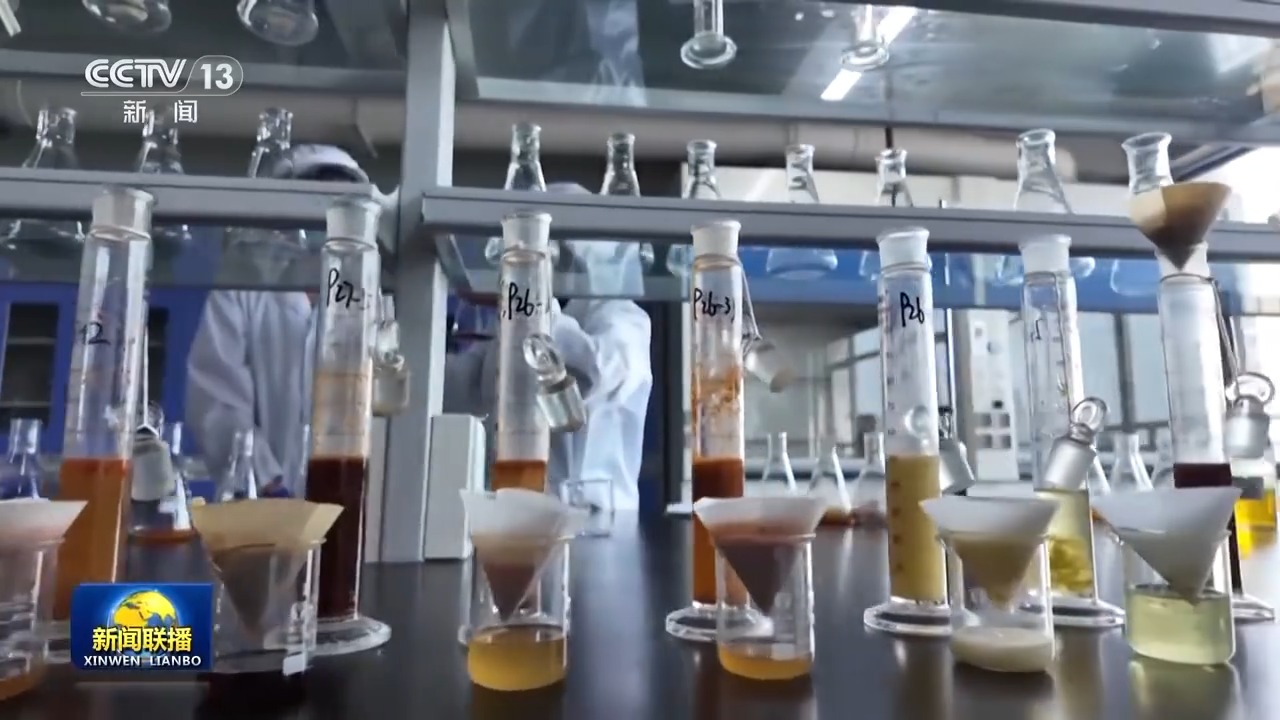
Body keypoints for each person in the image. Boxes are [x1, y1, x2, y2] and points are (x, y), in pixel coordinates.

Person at [187, 158, 653, 510]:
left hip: (599, 526)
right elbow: (450, 388)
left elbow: (584, 375)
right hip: (277, 499)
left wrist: (520, 297)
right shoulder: (250, 294)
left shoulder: (625, 323)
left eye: (556, 256)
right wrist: (266, 483)